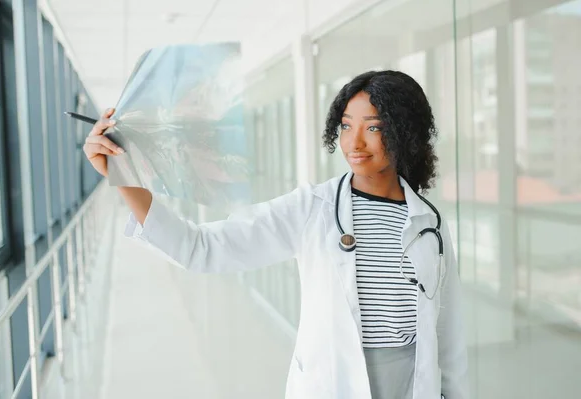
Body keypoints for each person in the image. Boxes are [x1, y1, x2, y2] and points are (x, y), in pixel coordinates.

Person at [83, 70, 468, 399]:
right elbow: (201, 248)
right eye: (347, 125)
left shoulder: (430, 224)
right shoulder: (311, 209)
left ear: (405, 133)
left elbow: (446, 337)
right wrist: (124, 177)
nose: (354, 142)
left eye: (373, 128)